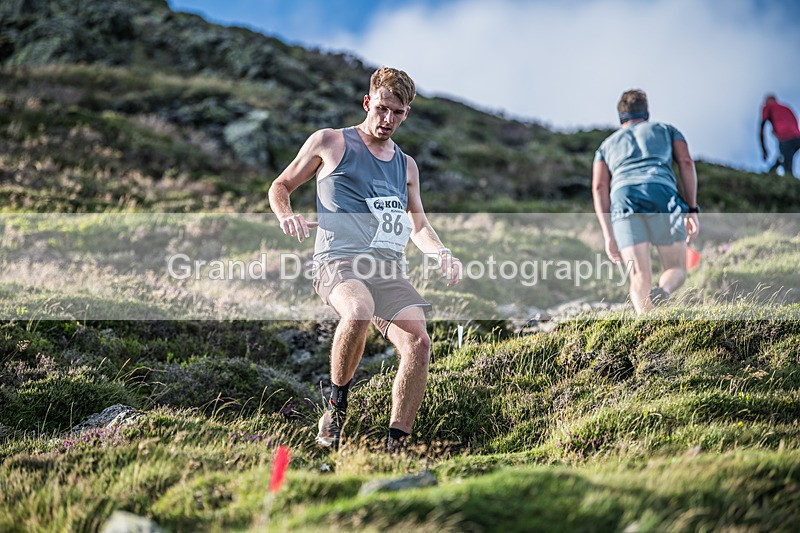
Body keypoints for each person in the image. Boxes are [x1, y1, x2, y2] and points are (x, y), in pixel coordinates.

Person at [268, 67, 461, 451]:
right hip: (337, 261)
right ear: (368, 102)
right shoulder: (330, 141)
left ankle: (396, 444)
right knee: (357, 310)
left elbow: (417, 224)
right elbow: (281, 185)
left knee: (419, 343)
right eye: (384, 109)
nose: (389, 120)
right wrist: (285, 213)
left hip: (386, 267)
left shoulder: (406, 165)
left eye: (399, 113)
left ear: (407, 113)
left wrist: (442, 252)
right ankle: (336, 411)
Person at [592, 89, 700, 314]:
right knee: (676, 267)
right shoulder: (667, 130)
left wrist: (608, 234)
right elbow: (686, 163)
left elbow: (599, 187)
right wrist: (692, 209)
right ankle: (664, 291)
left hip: (623, 197)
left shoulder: (605, 146)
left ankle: (646, 323)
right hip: (661, 192)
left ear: (620, 115)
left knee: (639, 275)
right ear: (646, 111)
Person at [760, 94, 800, 178]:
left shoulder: (768, 107)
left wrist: (763, 149)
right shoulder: (786, 107)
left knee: (787, 167)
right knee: (783, 158)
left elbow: (761, 129)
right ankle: (771, 173)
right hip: (797, 138)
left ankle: (788, 185)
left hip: (786, 138)